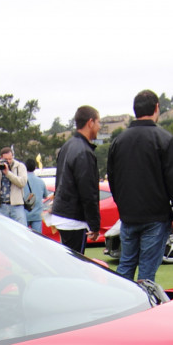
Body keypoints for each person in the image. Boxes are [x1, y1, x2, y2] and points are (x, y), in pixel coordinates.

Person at [106, 89, 173, 281]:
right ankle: (145, 307)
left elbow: (112, 178)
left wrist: (122, 204)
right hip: (155, 214)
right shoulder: (164, 139)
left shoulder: (118, 141)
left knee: (126, 264)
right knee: (147, 271)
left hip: (129, 214)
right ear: (156, 108)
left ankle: (121, 305)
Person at [51, 106, 101, 254]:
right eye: (98, 122)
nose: (99, 127)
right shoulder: (83, 151)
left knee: (68, 264)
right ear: (90, 122)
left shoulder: (67, 146)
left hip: (63, 214)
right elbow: (88, 191)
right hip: (73, 219)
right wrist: (94, 224)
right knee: (75, 266)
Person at [0, 146, 29, 224]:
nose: (8, 161)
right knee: (4, 232)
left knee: (21, 231)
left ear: (13, 156)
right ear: (1, 158)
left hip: (17, 205)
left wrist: (8, 173)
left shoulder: (19, 166)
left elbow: (22, 183)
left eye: (10, 159)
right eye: (5, 159)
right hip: (3, 206)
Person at [23, 157, 47, 234]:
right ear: (35, 168)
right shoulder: (41, 181)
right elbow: (45, 195)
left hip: (24, 213)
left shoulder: (22, 181)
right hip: (37, 214)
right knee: (37, 237)